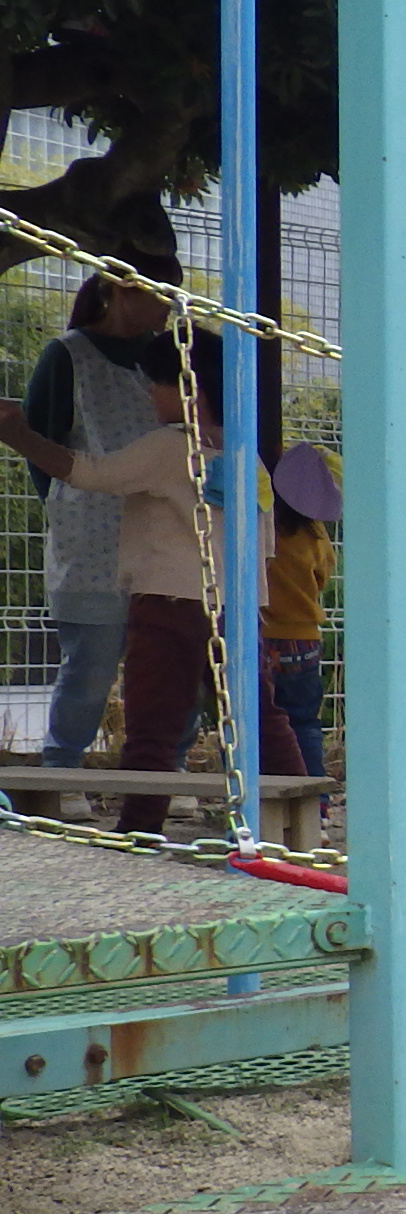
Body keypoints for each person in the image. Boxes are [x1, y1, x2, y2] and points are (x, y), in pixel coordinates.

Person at [0, 330, 301, 835]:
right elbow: (264, 544)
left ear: (188, 389)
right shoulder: (245, 457)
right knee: (258, 715)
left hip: (168, 605)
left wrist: (20, 436)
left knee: (152, 724)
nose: (148, 395)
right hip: (235, 607)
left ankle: (140, 829)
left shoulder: (168, 447)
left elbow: (91, 473)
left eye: (156, 384)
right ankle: (304, 815)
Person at [23, 256, 179, 767]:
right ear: (121, 289)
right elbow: (40, 445)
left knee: (170, 664)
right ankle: (63, 769)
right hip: (93, 541)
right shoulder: (68, 355)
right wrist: (68, 506)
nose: (170, 305)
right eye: (161, 292)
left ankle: (167, 766)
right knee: (90, 668)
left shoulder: (172, 354)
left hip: (165, 536)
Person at [264, 443, 340, 779]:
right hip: (304, 638)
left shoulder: (261, 521)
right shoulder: (315, 531)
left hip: (262, 634)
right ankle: (314, 795)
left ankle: (258, 793)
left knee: (256, 718)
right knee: (305, 721)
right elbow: (323, 574)